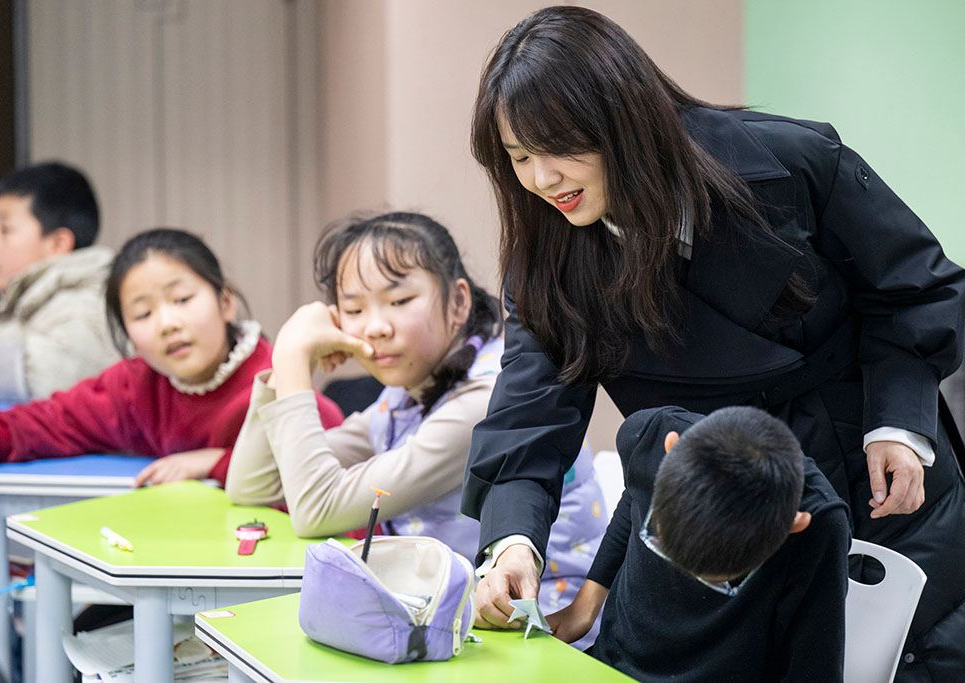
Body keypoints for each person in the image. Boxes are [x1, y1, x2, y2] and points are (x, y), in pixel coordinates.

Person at [462, 7, 965, 681]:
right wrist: (512, 542)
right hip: (717, 527)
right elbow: (529, 418)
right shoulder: (547, 266)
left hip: (877, 479)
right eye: (520, 158)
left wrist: (899, 422)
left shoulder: (789, 162)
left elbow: (913, 289)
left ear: (624, 117)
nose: (544, 179)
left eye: (559, 147)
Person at [226, 211, 607, 638]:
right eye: (354, 308)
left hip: (541, 633)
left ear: (458, 301)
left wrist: (292, 358)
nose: (375, 327)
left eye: (399, 301)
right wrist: (286, 368)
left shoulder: (485, 400)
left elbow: (316, 510)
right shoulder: (405, 395)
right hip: (460, 626)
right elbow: (251, 485)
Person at [0, 228, 343, 500]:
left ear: (225, 303)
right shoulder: (134, 386)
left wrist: (216, 462)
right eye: (143, 313)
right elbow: (54, 420)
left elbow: (332, 462)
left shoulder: (274, 376)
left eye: (182, 299)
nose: (168, 323)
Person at [549, 406, 850, 681]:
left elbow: (813, 670)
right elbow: (634, 496)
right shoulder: (647, 436)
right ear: (670, 450)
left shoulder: (820, 529)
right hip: (611, 666)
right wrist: (585, 605)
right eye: (659, 542)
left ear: (792, 526)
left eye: (717, 583)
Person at [0, 161, 119, 400]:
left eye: (5, 230)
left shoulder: (88, 302)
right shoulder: (25, 301)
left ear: (58, 243)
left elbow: (43, 375)